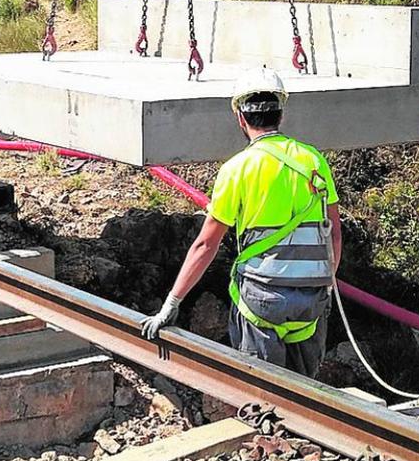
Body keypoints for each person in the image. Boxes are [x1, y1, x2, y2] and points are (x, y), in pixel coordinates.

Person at [141, 67, 342, 378]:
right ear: (281, 113)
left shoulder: (237, 169)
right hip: (310, 303)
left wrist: (172, 303)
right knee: (305, 395)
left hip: (261, 302)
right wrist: (326, 287)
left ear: (240, 117)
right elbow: (335, 236)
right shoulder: (313, 160)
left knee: (262, 392)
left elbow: (206, 244)